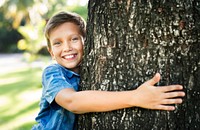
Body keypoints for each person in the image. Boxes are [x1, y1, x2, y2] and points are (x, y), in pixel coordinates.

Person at [32, 11, 185, 130]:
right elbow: (72, 102)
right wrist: (136, 97)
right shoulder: (53, 73)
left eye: (74, 39)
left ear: (88, 41)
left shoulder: (91, 68)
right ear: (51, 52)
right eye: (58, 43)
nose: (67, 48)